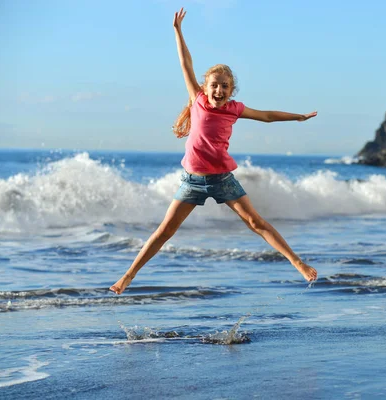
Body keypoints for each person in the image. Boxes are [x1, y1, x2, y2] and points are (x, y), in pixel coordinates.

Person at [110, 7, 318, 295]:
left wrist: (298, 116)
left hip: (222, 178)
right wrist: (177, 31)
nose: (218, 90)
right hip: (192, 180)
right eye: (214, 85)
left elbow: (267, 115)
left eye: (224, 86)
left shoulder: (235, 109)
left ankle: (297, 263)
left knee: (255, 222)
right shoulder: (196, 99)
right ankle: (128, 276)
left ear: (231, 90)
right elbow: (185, 63)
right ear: (204, 87)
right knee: (165, 231)